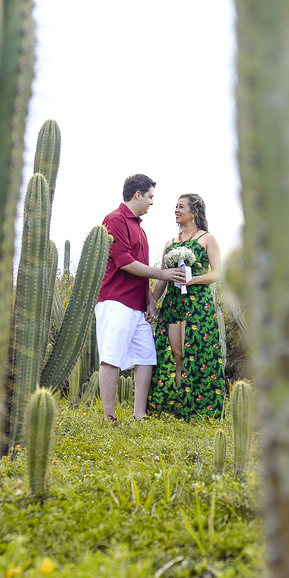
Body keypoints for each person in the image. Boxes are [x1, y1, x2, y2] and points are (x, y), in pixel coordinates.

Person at [96, 174, 189, 422]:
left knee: (146, 356)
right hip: (116, 300)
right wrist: (162, 273)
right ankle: (109, 416)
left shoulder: (139, 227)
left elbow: (140, 270)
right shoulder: (115, 220)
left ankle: (139, 415)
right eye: (150, 196)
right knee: (111, 357)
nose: (151, 202)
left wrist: (150, 300)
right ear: (137, 195)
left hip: (137, 305)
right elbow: (125, 263)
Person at [147, 193, 226, 420]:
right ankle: (179, 406)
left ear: (195, 212)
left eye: (181, 207)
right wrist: (152, 301)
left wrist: (192, 280)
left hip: (198, 304)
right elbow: (162, 277)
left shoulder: (207, 238)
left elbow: (218, 272)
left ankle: (198, 410)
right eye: (175, 207)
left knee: (197, 355)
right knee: (177, 355)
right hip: (173, 303)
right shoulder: (170, 244)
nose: (176, 210)